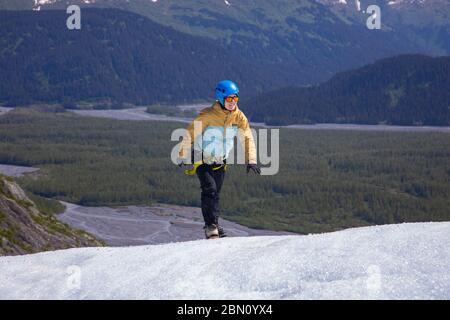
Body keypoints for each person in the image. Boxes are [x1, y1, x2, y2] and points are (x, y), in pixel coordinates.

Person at [177, 80, 261, 239]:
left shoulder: (239, 117)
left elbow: (248, 137)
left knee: (216, 194)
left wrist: (251, 160)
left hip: (220, 160)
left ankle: (214, 224)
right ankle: (210, 227)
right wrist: (182, 153)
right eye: (229, 99)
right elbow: (190, 133)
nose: (232, 102)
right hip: (202, 157)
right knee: (210, 189)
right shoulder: (208, 115)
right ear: (221, 98)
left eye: (235, 99)